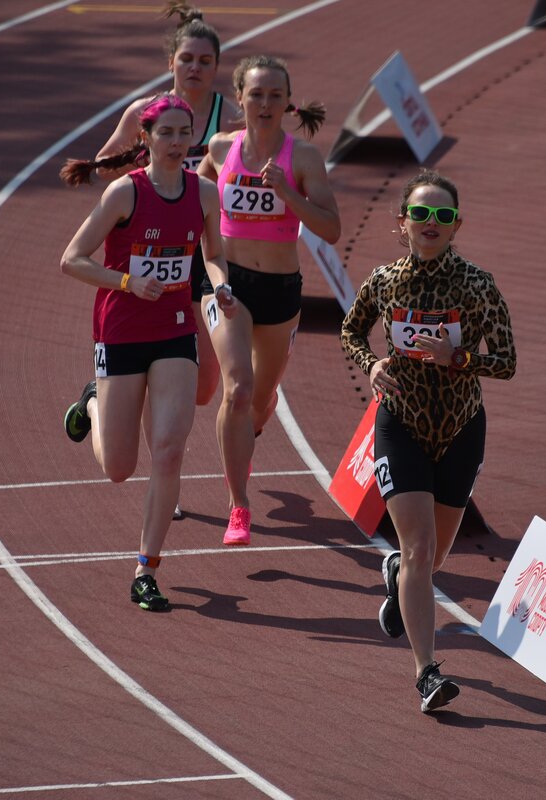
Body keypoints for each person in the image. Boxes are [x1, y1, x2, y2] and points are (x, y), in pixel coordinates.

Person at [341, 169, 517, 712]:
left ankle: (395, 574)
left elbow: (507, 363)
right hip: (401, 424)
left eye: (443, 215)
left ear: (457, 224)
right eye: (421, 214)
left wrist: (457, 358)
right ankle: (427, 674)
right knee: (418, 548)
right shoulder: (385, 280)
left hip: (461, 429)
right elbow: (351, 330)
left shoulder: (477, 285)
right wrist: (371, 366)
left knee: (432, 556)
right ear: (403, 223)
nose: (431, 223)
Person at [60, 94, 237, 612]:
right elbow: (71, 259)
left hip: (175, 329)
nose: (178, 142)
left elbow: (216, 255)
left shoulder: (204, 192)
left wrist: (221, 286)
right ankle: (92, 402)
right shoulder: (124, 193)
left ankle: (146, 568)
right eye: (168, 133)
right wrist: (125, 281)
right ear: (147, 137)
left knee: (169, 449)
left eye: (185, 133)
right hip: (120, 329)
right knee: (118, 466)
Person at [62, 1, 227, 520]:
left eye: (204, 60)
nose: (195, 68)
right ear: (172, 64)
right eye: (186, 59)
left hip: (195, 251)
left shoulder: (227, 115)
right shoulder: (143, 114)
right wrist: (143, 171)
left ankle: (162, 463)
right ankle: (113, 416)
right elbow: (107, 174)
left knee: (204, 391)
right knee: (123, 456)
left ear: (216, 68)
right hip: (143, 254)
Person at [196, 54, 340, 547]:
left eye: (275, 95)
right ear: (240, 98)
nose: (265, 103)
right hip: (230, 285)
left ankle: (258, 416)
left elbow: (331, 228)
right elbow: (194, 205)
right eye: (256, 94)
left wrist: (289, 195)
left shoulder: (302, 159)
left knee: (256, 403)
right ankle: (239, 506)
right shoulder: (219, 148)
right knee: (236, 389)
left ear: (287, 103)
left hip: (280, 290)